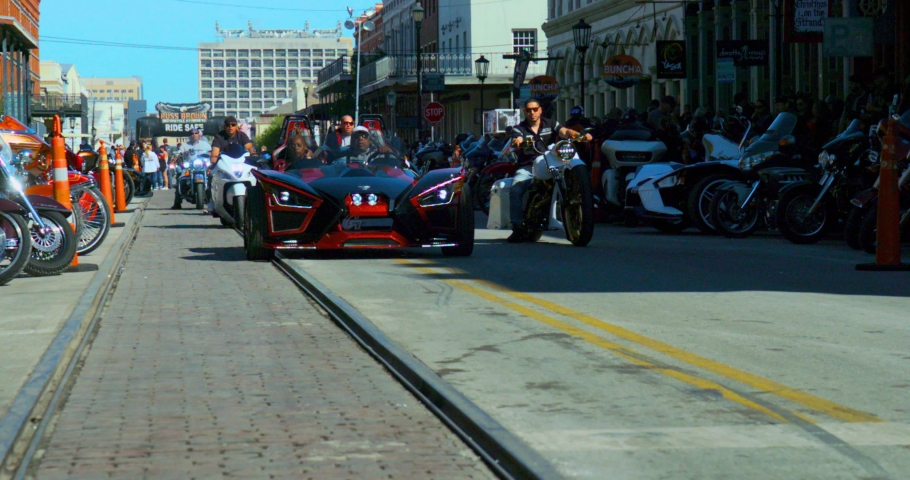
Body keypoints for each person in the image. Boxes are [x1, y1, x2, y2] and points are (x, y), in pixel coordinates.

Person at [506, 98, 591, 243]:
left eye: (535, 109)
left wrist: (578, 135)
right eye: (528, 110)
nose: (532, 113)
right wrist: (518, 141)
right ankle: (517, 226)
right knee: (515, 190)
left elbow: (563, 131)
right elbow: (517, 138)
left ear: (540, 110)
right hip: (528, 166)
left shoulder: (550, 123)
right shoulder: (519, 128)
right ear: (524, 112)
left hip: (552, 161)